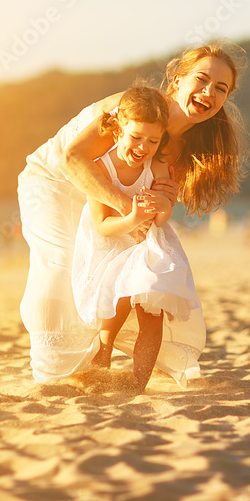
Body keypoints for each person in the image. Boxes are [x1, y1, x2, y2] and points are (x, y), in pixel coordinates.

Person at [17, 43, 247, 384]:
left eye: (220, 88)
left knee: (123, 271)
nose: (208, 92)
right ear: (177, 78)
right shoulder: (134, 106)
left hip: (110, 201)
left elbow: (153, 201)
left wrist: (163, 204)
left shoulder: (183, 147)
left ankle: (91, 365)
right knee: (61, 263)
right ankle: (48, 374)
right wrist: (130, 213)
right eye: (201, 79)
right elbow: (73, 159)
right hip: (54, 181)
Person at [71, 86, 202, 389]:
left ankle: (138, 382)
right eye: (136, 137)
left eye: (153, 141)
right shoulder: (100, 169)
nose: (144, 147)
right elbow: (102, 225)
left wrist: (165, 207)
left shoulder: (156, 165)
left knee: (151, 313)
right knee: (118, 303)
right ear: (117, 132)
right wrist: (132, 219)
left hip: (148, 245)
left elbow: (162, 217)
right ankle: (103, 354)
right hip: (111, 243)